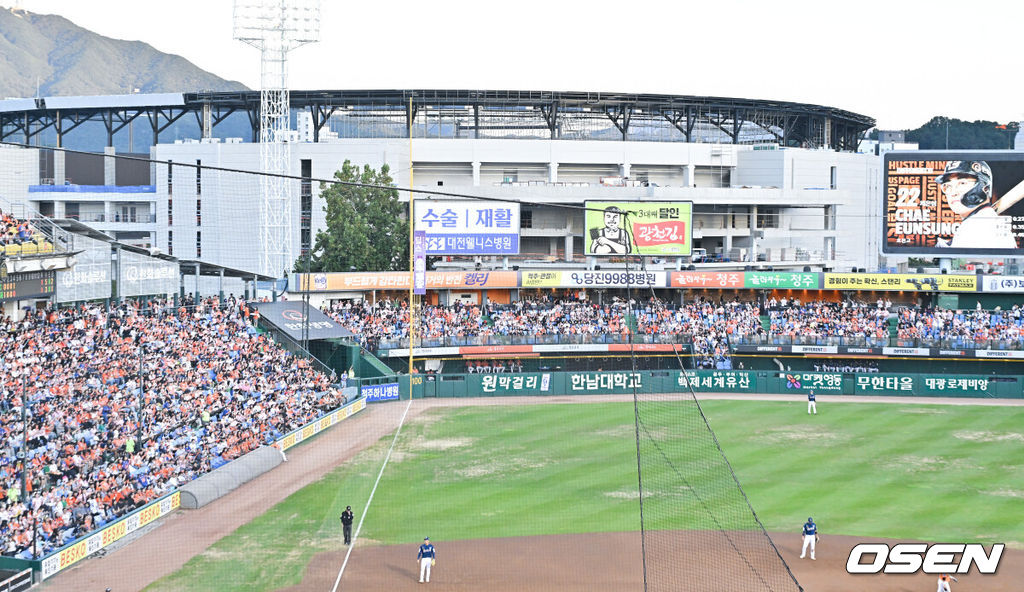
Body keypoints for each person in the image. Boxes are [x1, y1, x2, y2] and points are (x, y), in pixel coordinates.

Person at [935, 160, 1017, 249]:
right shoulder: (978, 222)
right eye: (948, 186)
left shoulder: (982, 227)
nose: (953, 192)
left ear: (984, 187)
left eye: (962, 183)